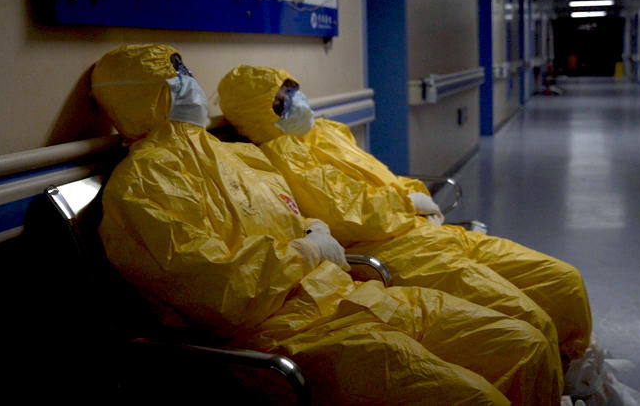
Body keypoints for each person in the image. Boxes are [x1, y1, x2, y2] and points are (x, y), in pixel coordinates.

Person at [91, 44, 563, 405]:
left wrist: (313, 233)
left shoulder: (241, 157)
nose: (191, 84)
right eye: (178, 78)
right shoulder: (142, 186)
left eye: (187, 71)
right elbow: (214, 288)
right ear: (142, 97)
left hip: (351, 297)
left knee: (523, 344)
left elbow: (295, 215)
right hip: (286, 337)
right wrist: (307, 251)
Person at [218, 65, 593, 367]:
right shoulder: (279, 161)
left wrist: (412, 193)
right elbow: (348, 214)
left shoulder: (327, 134)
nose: (297, 102)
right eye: (282, 103)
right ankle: (553, 382)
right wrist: (406, 203)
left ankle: (572, 371)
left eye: (293, 90)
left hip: (426, 233)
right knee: (531, 324)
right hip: (398, 251)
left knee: (563, 280)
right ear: (259, 115)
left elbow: (382, 178)